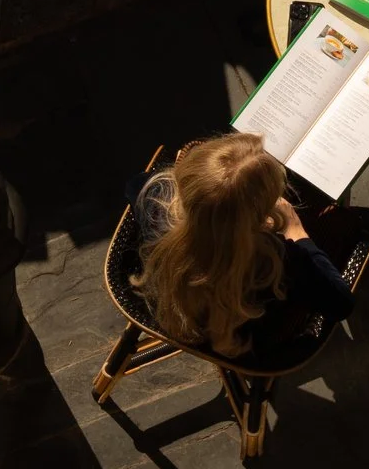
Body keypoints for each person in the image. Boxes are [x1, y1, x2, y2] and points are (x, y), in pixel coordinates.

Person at [134, 134, 354, 360]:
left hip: (176, 310)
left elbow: (133, 185)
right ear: (257, 214)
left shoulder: (155, 200)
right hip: (254, 346)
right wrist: (295, 231)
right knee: (349, 223)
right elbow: (341, 304)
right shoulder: (278, 261)